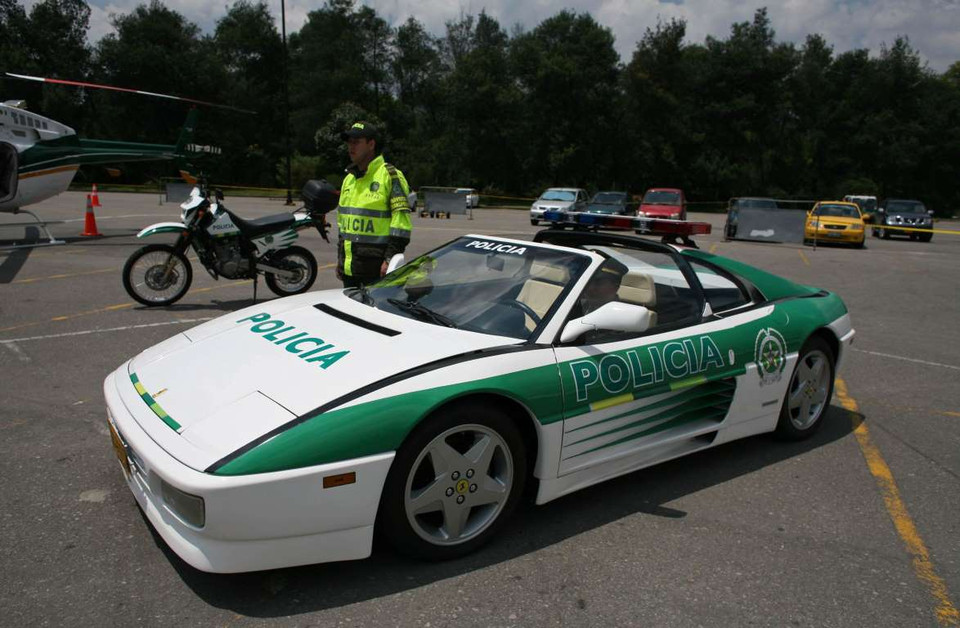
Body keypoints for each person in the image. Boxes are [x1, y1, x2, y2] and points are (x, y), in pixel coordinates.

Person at [335, 121, 412, 288]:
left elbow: (402, 225)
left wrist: (390, 259)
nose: (350, 147)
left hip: (377, 271)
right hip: (350, 271)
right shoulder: (349, 179)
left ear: (371, 144)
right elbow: (343, 226)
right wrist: (341, 261)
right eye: (349, 142)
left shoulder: (390, 176)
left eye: (356, 142)